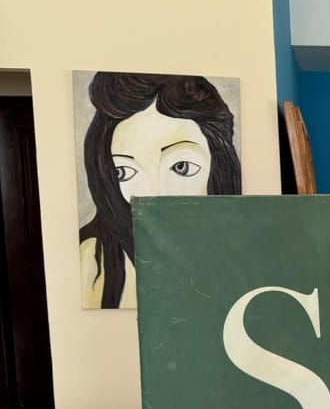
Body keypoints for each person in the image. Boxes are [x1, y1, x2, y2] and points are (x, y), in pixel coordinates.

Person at [78, 71, 241, 308]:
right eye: (125, 172)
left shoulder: (242, 255)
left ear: (218, 167)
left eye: (181, 167)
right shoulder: (95, 261)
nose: (154, 193)